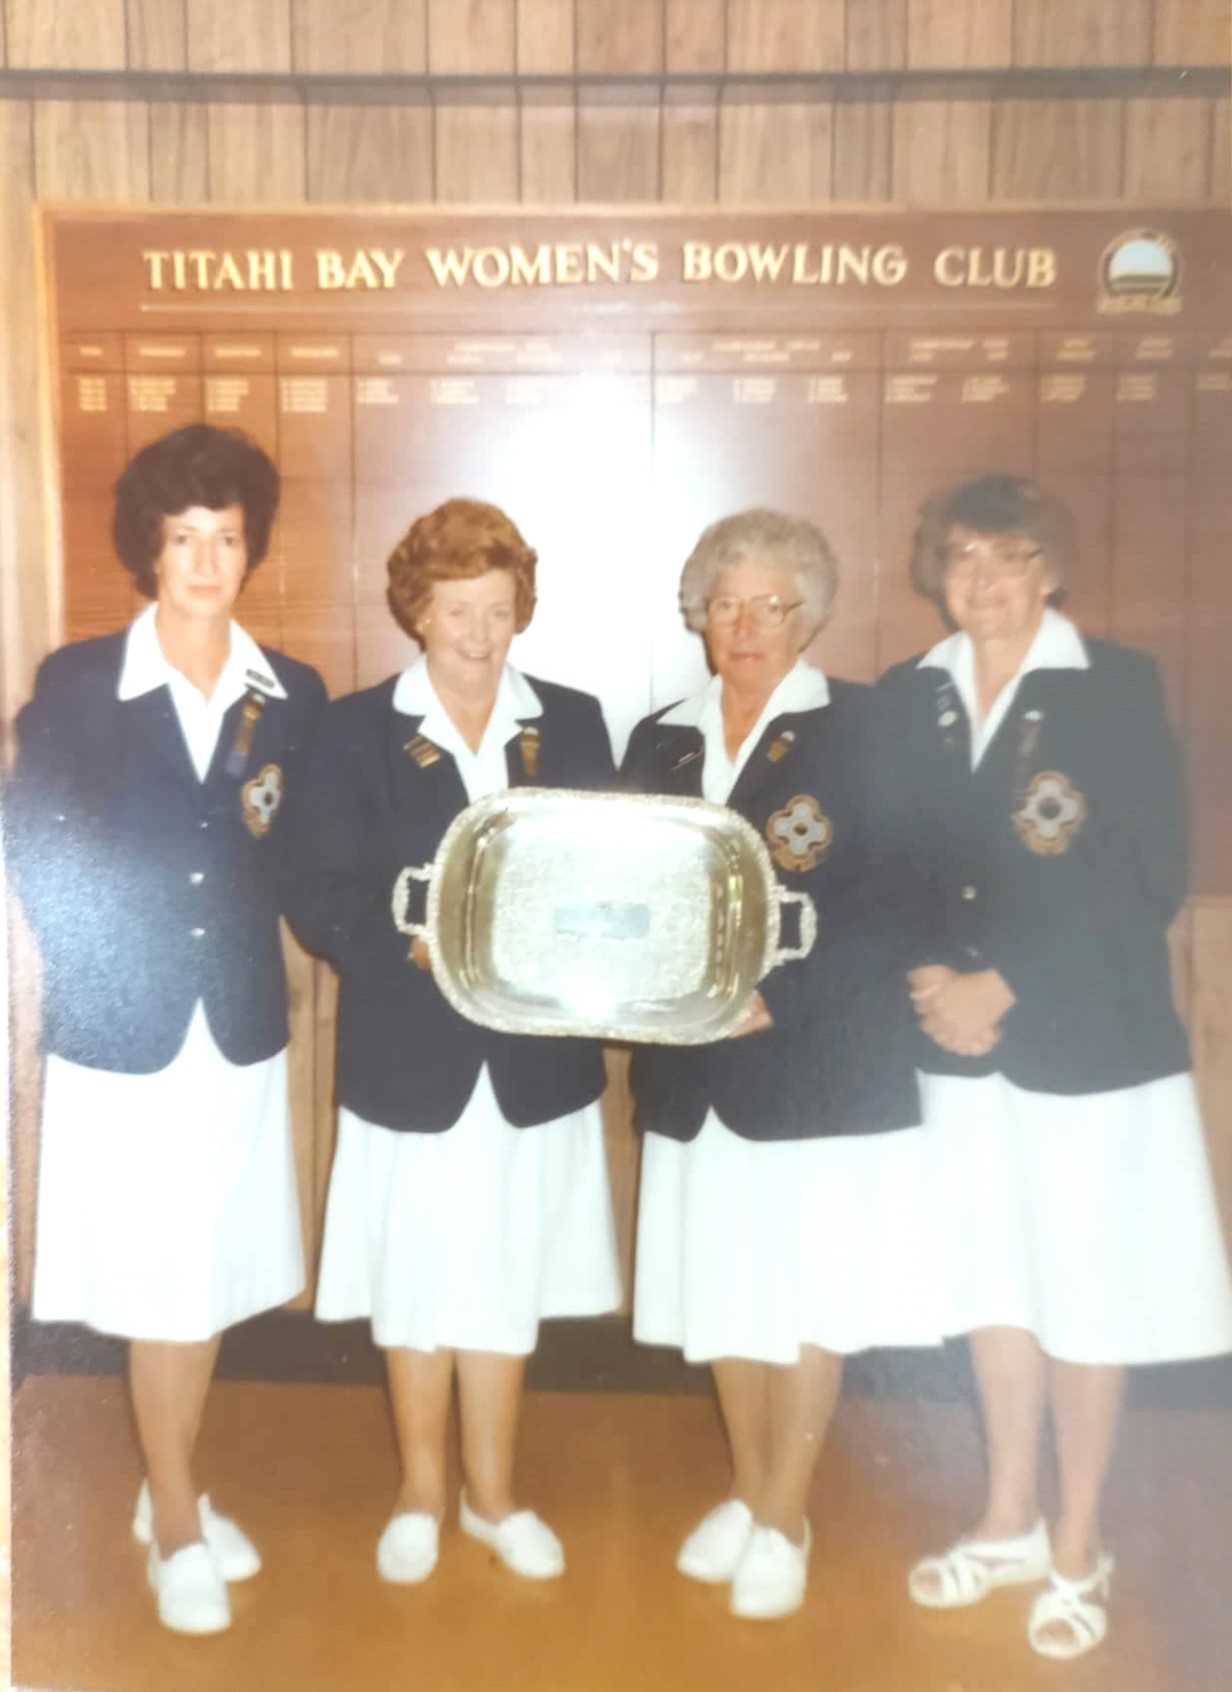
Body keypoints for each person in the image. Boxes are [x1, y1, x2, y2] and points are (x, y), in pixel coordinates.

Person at [877, 473, 1232, 1660]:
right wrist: (932, 977)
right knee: (991, 1284)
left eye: (1010, 557)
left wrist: (1003, 983)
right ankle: (1006, 1521)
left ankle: (1077, 1545)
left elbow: (1143, 874)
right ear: (936, 573)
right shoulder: (913, 694)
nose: (983, 582)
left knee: (1084, 1294)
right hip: (954, 1050)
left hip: (1085, 1052)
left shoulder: (1112, 687)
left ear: (1050, 571)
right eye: (963, 558)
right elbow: (890, 863)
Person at [6, 424, 327, 1635]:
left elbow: (304, 857)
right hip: (128, 1036)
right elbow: (36, 847)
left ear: (251, 551)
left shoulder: (288, 693)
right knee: (160, 1285)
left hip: (233, 1027)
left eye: (225, 539)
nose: (204, 563)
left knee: (209, 1277)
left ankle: (168, 1491)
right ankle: (180, 1522)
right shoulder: (84, 682)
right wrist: (109, 958)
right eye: (183, 538)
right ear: (148, 548)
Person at [287, 497, 620, 1587]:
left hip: (530, 1057)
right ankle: (421, 1494)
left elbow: (607, 879)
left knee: (504, 1275)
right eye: (456, 609)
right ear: (416, 611)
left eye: (498, 609)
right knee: (417, 1279)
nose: (479, 634)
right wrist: (411, 946)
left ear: (522, 609)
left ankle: (493, 1496)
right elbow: (320, 893)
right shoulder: (354, 730)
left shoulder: (571, 723)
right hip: (411, 1054)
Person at [621, 508, 938, 1621]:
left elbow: (898, 901)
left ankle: (786, 1515)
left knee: (802, 1294)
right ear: (698, 617)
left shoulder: (865, 727)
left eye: (769, 606)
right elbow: (629, 895)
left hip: (817, 1063)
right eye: (725, 605)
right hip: (697, 1067)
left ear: (809, 618)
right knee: (723, 1292)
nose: (745, 626)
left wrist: (778, 996)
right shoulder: (659, 740)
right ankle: (751, 1492)